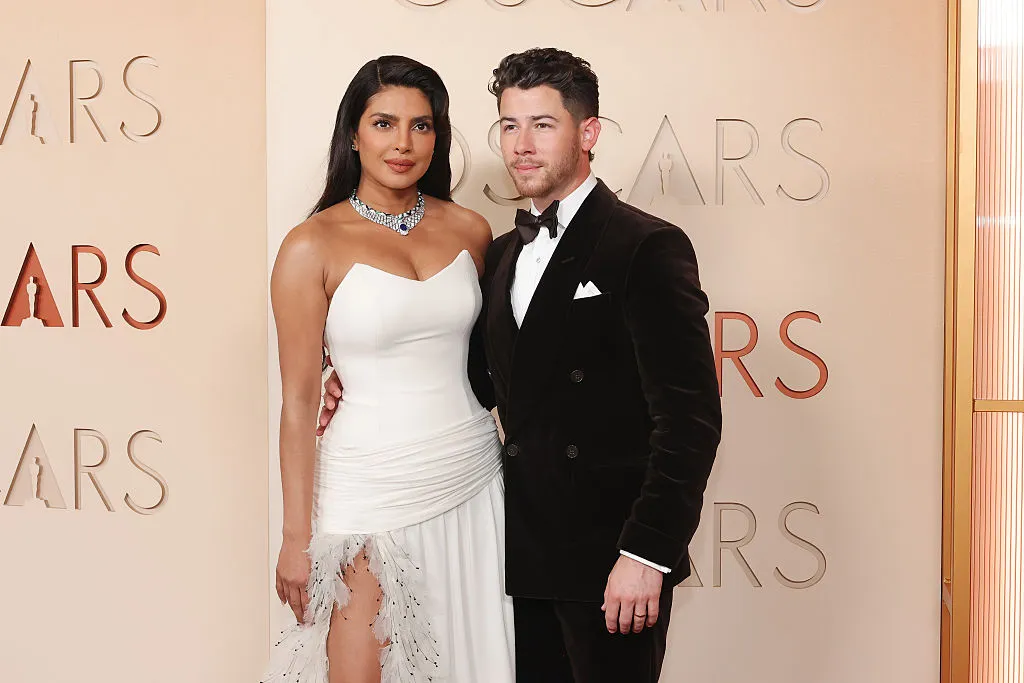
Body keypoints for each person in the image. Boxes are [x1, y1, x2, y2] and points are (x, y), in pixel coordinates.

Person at [321, 48, 722, 683]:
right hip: (514, 551)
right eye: (509, 125)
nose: (521, 145)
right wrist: (348, 379)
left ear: (588, 133)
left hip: (611, 560)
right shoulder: (500, 251)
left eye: (542, 124)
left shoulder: (645, 245)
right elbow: (473, 376)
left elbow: (690, 421)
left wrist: (647, 551)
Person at [262, 55, 514, 683]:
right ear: (353, 133)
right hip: (365, 484)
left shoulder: (472, 230)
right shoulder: (309, 245)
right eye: (383, 123)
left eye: (421, 126)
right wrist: (297, 537)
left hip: (471, 474)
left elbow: (497, 362)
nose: (402, 144)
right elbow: (297, 400)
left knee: (468, 655)